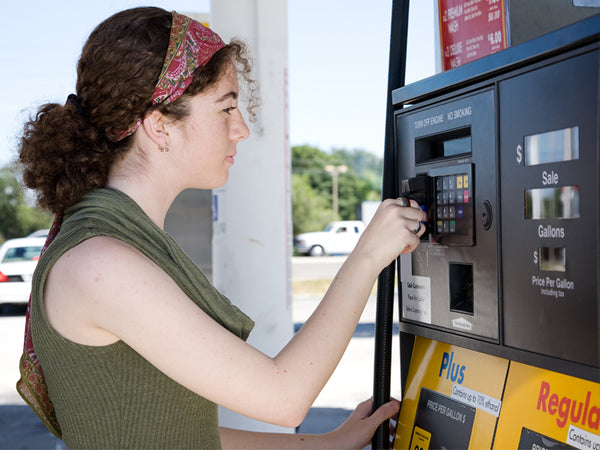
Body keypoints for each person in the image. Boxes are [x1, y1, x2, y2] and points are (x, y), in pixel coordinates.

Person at [16, 7, 427, 449]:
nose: (242, 129)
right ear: (159, 126)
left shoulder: (122, 243)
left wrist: (330, 443)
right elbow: (284, 396)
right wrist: (367, 258)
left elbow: (182, 434)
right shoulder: (103, 262)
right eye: (226, 107)